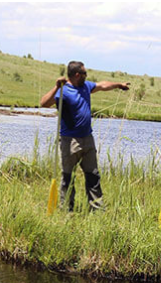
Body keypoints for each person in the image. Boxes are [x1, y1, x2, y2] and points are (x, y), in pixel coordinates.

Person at [39, 61, 129, 211]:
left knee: (93, 175)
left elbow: (102, 85)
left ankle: (97, 209)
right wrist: (56, 86)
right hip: (70, 141)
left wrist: (119, 84)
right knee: (68, 177)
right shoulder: (63, 90)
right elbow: (44, 103)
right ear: (77, 75)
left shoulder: (86, 86)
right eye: (85, 74)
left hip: (88, 139)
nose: (87, 76)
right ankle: (67, 210)